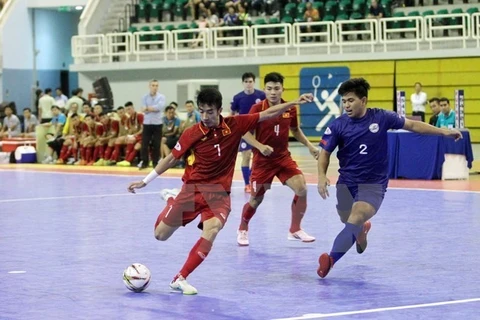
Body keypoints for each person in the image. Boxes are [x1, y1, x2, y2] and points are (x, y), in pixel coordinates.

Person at [127, 88, 313, 295]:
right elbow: (171, 158)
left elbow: (268, 113)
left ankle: (180, 278)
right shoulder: (192, 133)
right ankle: (171, 200)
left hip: (218, 194)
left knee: (212, 229)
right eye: (202, 112)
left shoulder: (235, 124)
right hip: (192, 190)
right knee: (160, 235)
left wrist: (294, 102)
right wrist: (145, 181)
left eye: (210, 112)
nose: (205, 117)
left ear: (220, 110)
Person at [316, 78, 462, 278]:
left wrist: (444, 132)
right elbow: (324, 153)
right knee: (346, 219)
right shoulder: (338, 125)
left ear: (364, 100)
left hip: (374, 183)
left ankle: (330, 260)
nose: (346, 105)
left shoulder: (381, 117)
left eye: (351, 100)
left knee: (356, 215)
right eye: (344, 101)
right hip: (347, 181)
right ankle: (361, 232)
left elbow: (413, 126)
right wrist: (322, 175)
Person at [236, 72, 319, 246]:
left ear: (282, 89)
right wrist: (259, 146)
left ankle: (294, 229)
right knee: (256, 200)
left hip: (283, 158)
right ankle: (243, 228)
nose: (273, 92)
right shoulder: (257, 109)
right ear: (264, 90)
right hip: (262, 162)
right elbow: (244, 132)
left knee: (302, 188)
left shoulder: (290, 108)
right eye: (269, 89)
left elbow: (295, 130)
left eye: (276, 88)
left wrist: (310, 146)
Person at [231, 72, 266, 192]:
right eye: (246, 82)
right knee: (246, 156)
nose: (248, 84)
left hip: (258, 129)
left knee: (257, 157)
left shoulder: (261, 95)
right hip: (244, 131)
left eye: (250, 81)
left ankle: (254, 180)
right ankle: (247, 184)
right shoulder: (237, 97)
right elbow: (233, 113)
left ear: (254, 82)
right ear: (243, 83)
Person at [140, 79, 165, 169]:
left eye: (156, 85)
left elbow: (159, 108)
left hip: (157, 123)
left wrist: (148, 108)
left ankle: (155, 162)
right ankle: (144, 162)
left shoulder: (161, 97)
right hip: (147, 123)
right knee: (144, 144)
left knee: (156, 144)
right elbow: (143, 109)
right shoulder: (144, 97)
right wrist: (151, 108)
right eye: (153, 85)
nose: (155, 87)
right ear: (149, 86)